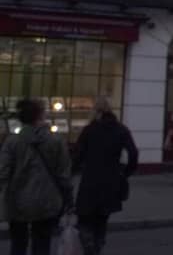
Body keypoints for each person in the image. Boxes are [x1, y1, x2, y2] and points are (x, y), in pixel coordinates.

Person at [0, 98, 72, 255]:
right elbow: (64, 174)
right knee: (42, 244)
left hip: (17, 201)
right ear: (40, 116)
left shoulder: (12, 142)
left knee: (18, 244)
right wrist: (67, 197)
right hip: (47, 201)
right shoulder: (56, 141)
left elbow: (3, 172)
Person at [73, 95, 139, 255]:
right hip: (111, 181)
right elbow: (133, 153)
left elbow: (77, 154)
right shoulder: (121, 129)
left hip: (90, 180)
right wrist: (125, 173)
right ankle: (97, 247)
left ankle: (89, 248)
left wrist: (73, 170)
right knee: (102, 219)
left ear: (95, 110)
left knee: (85, 219)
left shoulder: (90, 130)